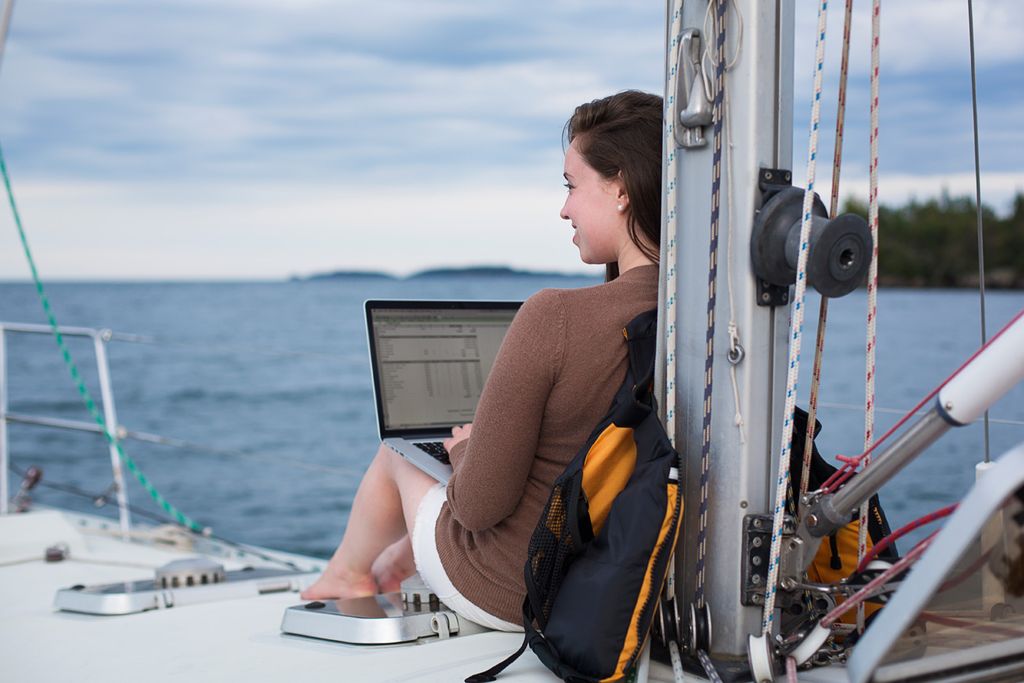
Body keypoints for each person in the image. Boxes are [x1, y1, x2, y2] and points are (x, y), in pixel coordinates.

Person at [301, 90, 664, 631]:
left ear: (618, 189)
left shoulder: (554, 316)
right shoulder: (709, 318)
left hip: (518, 590)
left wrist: (467, 446)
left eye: (571, 185)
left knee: (401, 457)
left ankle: (346, 577)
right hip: (638, 589)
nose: (564, 207)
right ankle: (395, 564)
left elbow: (477, 508)